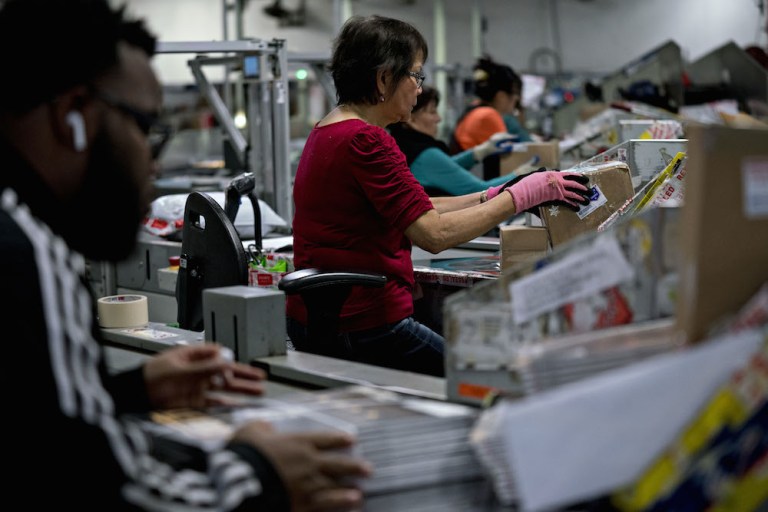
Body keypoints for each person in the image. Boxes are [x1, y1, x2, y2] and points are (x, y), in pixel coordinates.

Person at [0, 1, 370, 510]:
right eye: (147, 129)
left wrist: (125, 393)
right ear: (72, 119)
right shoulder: (27, 252)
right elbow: (101, 487)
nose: (152, 168)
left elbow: (27, 434)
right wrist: (257, 469)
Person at [286, 15, 592, 378]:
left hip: (319, 319)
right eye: (416, 75)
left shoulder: (327, 130)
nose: (419, 88)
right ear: (384, 78)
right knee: (487, 379)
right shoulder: (367, 140)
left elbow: (417, 206)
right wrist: (522, 197)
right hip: (365, 324)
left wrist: (491, 194)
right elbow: (433, 235)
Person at [388, 84, 521, 196]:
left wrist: (480, 152)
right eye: (432, 112)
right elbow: (478, 190)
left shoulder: (400, 143)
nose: (438, 119)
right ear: (410, 118)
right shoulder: (424, 153)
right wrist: (521, 176)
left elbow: (443, 167)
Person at [450, 55, 533, 180]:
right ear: (501, 96)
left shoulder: (475, 107)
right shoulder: (489, 115)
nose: (516, 99)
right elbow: (513, 156)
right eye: (514, 94)